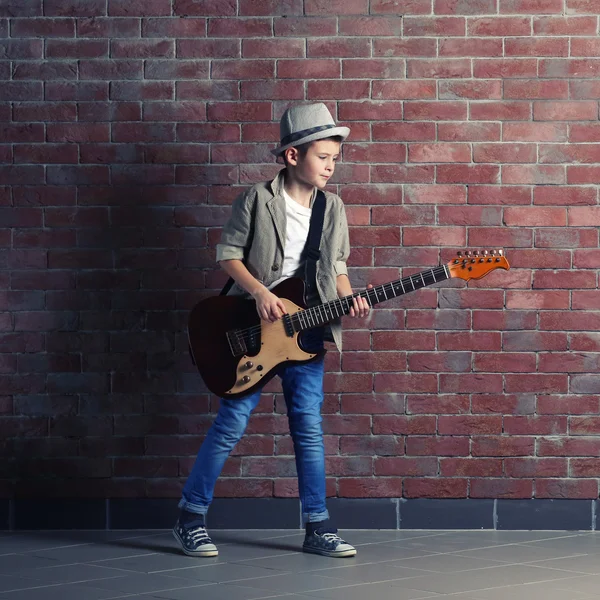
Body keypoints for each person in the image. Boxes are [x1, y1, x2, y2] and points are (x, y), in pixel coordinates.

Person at [173, 103, 370, 559]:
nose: (331, 167)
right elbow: (227, 254)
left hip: (306, 332)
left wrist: (351, 296)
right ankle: (190, 516)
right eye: (324, 157)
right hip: (251, 330)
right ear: (293, 156)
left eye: (335, 159)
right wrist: (260, 292)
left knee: (308, 428)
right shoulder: (256, 199)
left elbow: (337, 266)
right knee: (232, 423)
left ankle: (318, 528)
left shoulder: (333, 208)